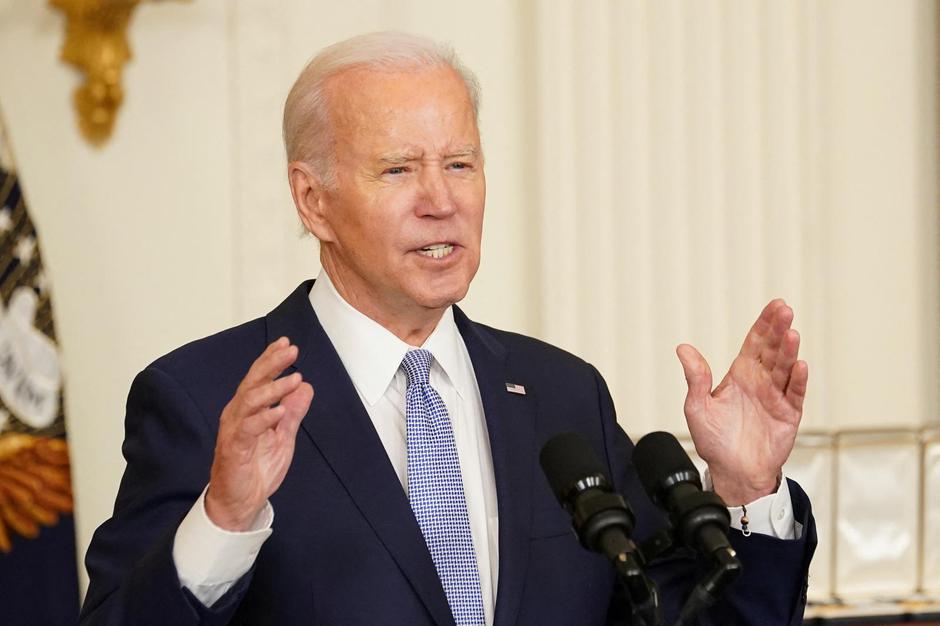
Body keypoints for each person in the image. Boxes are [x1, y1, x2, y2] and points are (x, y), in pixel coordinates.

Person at [79, 32, 815, 625]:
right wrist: (225, 519)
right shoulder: (207, 399)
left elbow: (683, 613)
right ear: (313, 201)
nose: (441, 201)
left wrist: (750, 490)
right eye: (398, 170)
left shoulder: (562, 397)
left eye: (460, 163)